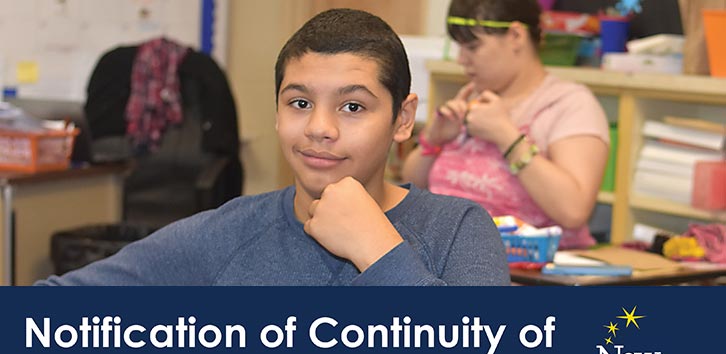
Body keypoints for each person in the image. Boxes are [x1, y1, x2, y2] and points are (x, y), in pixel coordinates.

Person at [37, 8, 509, 286]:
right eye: (300, 102)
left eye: (352, 108)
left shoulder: (457, 231)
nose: (319, 128)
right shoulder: (226, 234)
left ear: (402, 119)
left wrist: (378, 249)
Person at [402, 0, 610, 248]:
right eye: (459, 47)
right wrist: (433, 140)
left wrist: (507, 137)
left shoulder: (568, 105)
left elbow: (573, 211)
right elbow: (411, 187)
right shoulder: (471, 98)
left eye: (472, 47)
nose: (461, 59)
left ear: (515, 36)